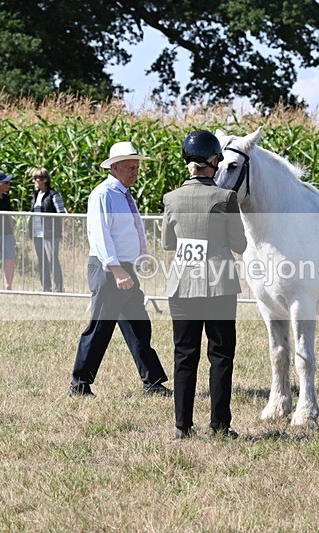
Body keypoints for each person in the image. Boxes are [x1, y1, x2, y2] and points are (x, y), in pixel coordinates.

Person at [68, 141, 172, 398]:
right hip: (110, 270)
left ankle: (153, 382)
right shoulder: (103, 194)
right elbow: (100, 235)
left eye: (137, 167)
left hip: (126, 269)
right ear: (114, 167)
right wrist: (116, 270)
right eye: (130, 167)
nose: (135, 172)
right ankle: (79, 384)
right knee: (100, 327)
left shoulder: (123, 193)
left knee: (138, 326)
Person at [162, 130, 247, 439]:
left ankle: (182, 426)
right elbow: (240, 244)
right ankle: (220, 426)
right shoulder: (226, 198)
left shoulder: (170, 199)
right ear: (214, 161)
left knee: (184, 354)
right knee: (221, 355)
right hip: (218, 285)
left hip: (182, 285)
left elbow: (168, 243)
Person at [28, 167, 66, 292]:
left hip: (50, 233)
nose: (33, 181)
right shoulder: (35, 195)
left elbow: (61, 213)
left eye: (36, 178)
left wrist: (57, 230)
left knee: (52, 259)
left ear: (44, 180)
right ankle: (46, 286)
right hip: (37, 232)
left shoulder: (53, 195)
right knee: (42, 260)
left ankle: (58, 287)